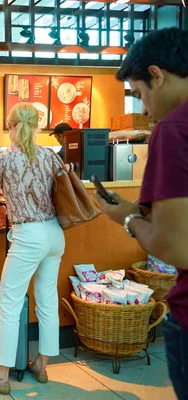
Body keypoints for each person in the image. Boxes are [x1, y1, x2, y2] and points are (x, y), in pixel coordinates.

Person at [95, 28, 188, 400]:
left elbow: (177, 248)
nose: (146, 110)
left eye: (140, 95)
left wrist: (128, 220)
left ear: (158, 75)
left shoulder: (175, 128)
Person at [0, 103, 66, 395]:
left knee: (8, 304)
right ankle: (42, 364)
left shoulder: (4, 156)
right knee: (47, 299)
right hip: (54, 233)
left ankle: (0, 375)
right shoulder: (50, 155)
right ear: (37, 126)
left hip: (28, 234)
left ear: (10, 125)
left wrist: (0, 203)